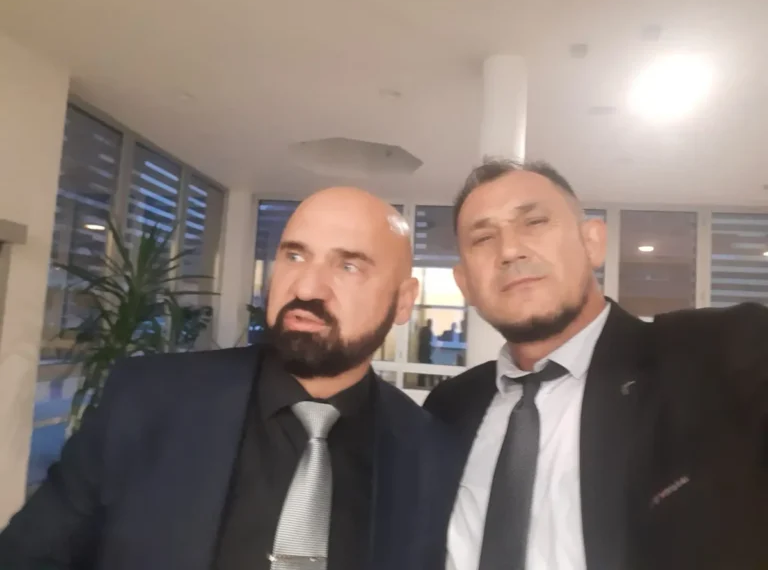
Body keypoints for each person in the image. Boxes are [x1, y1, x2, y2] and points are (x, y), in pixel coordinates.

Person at [0, 187, 454, 570]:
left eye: (348, 265)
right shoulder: (147, 401)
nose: (306, 287)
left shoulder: (428, 452)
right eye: (294, 255)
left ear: (403, 300)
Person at [424, 159, 768, 570]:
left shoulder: (720, 356)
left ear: (592, 243)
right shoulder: (448, 408)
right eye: (483, 238)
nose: (510, 250)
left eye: (534, 222)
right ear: (465, 284)